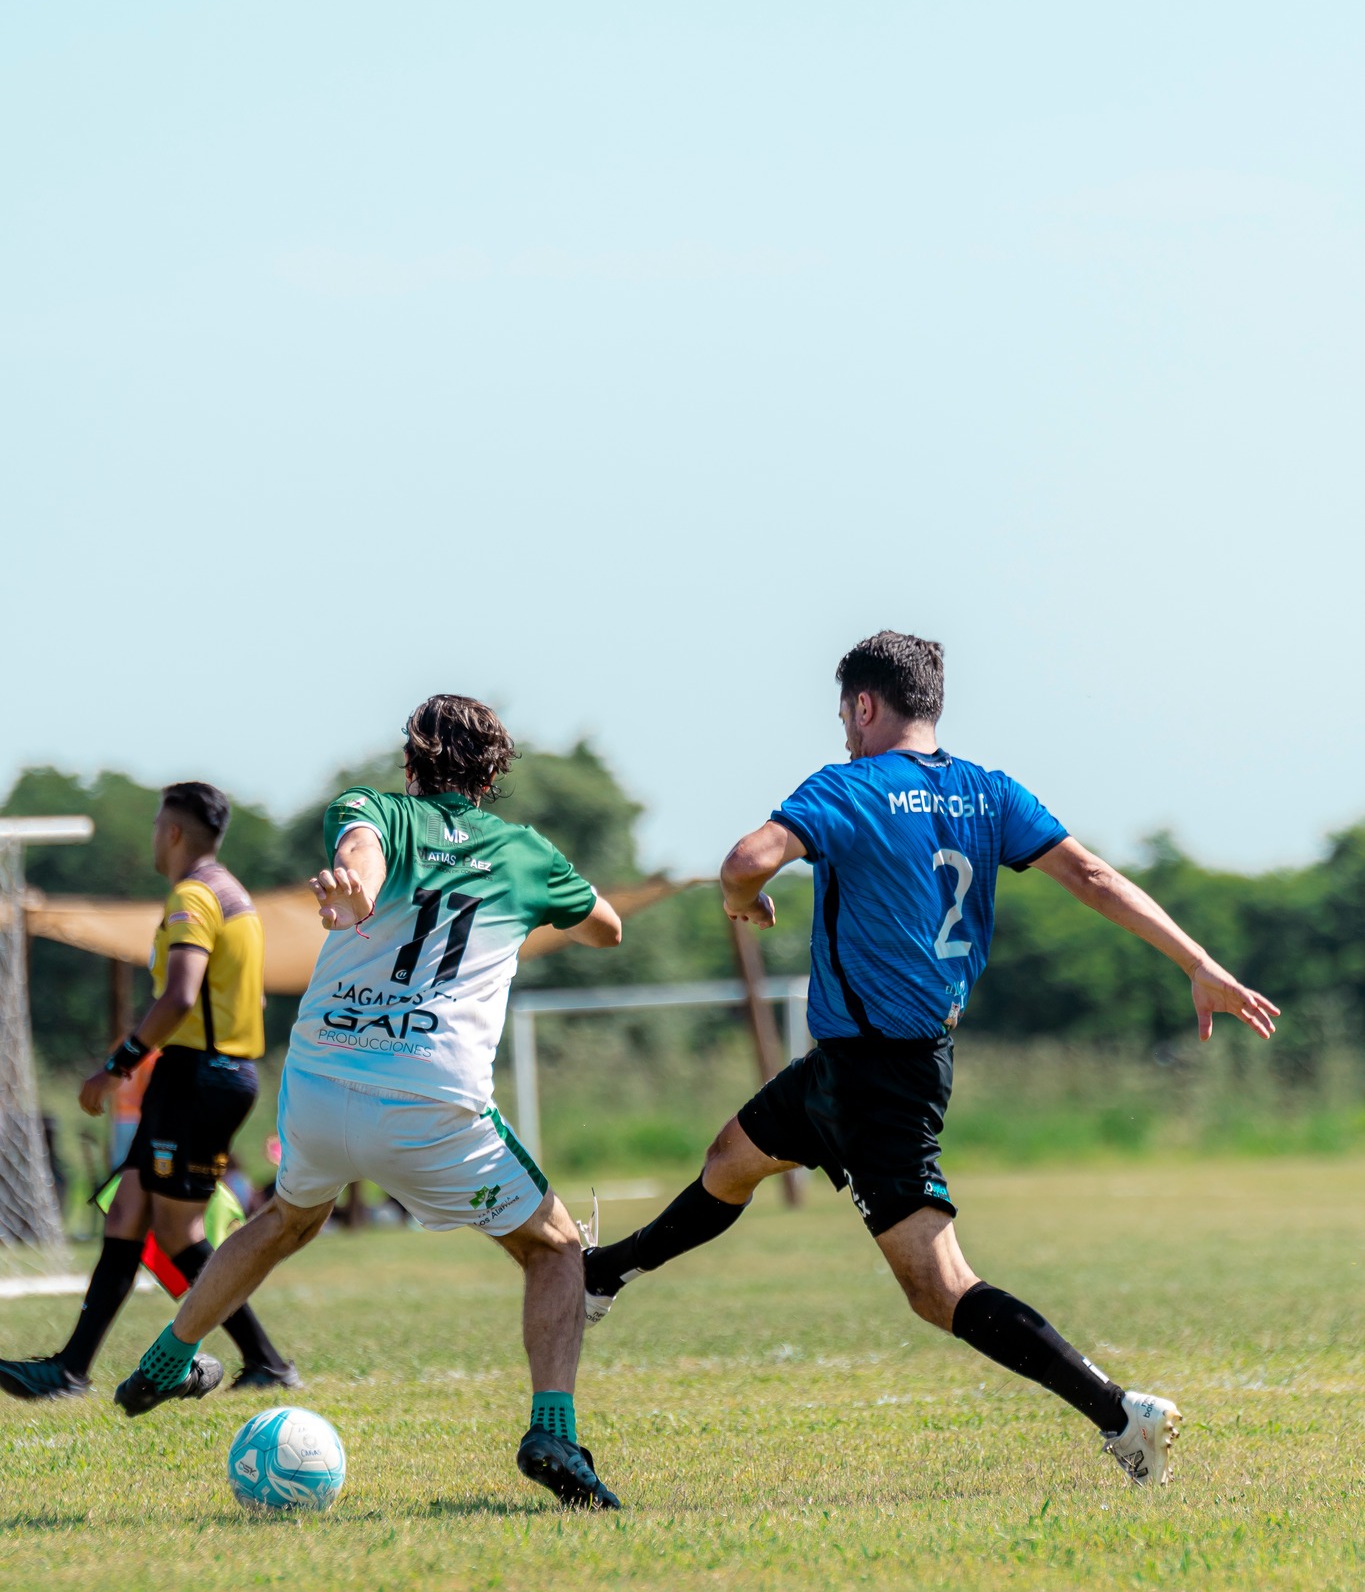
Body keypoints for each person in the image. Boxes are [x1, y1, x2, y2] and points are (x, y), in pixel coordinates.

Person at [583, 631, 1280, 1486]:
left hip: (878, 1075)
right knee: (732, 1159)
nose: (843, 730)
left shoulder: (846, 786)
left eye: (844, 713)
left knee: (936, 1286)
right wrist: (1198, 963)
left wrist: (745, 900)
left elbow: (744, 861)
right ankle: (600, 1277)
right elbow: (1093, 877)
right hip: (862, 1061)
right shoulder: (989, 791)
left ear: (864, 705)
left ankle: (1119, 1415)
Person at [115, 696, 625, 1512]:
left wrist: (358, 897)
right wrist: (536, 904)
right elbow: (606, 929)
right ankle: (553, 1431)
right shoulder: (525, 852)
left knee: (285, 1221)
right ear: (494, 772)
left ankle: (168, 1359)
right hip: (430, 1096)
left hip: (321, 1081)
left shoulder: (372, 808)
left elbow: (361, 857)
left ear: (411, 762)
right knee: (556, 1248)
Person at [0, 783, 296, 1402]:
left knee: (178, 1231)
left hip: (198, 1077)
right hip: (202, 1075)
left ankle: (264, 1360)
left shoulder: (194, 896)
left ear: (175, 833)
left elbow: (181, 995)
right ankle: (69, 1370)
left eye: (159, 824)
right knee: (129, 1210)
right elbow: (249, 999)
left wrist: (116, 1067)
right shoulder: (235, 895)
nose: (155, 835)